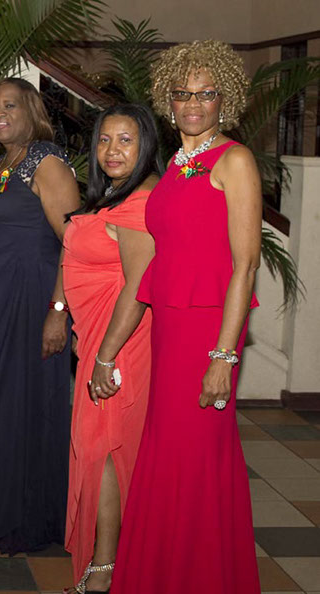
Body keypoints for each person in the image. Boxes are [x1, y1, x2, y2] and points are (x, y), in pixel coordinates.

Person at [112, 40, 261, 593]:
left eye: (205, 94)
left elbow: (246, 265)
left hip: (207, 333)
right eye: (182, 94)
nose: (193, 104)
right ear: (168, 101)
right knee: (168, 457)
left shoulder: (234, 160)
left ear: (226, 99)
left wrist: (223, 356)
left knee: (196, 459)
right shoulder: (177, 164)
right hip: (170, 329)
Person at [0, 77, 79, 554]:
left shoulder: (46, 161)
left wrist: (58, 311)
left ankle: (32, 521)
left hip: (32, 305)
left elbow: (76, 242)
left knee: (28, 411)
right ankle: (1, 514)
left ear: (31, 111)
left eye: (9, 105)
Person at [60, 104, 161, 593]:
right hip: (97, 338)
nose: (112, 150)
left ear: (146, 145)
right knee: (97, 447)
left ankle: (104, 568)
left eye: (125, 140)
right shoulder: (113, 197)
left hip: (119, 345)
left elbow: (138, 288)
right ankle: (110, 560)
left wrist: (105, 355)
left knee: (105, 451)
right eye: (104, 140)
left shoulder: (140, 202)